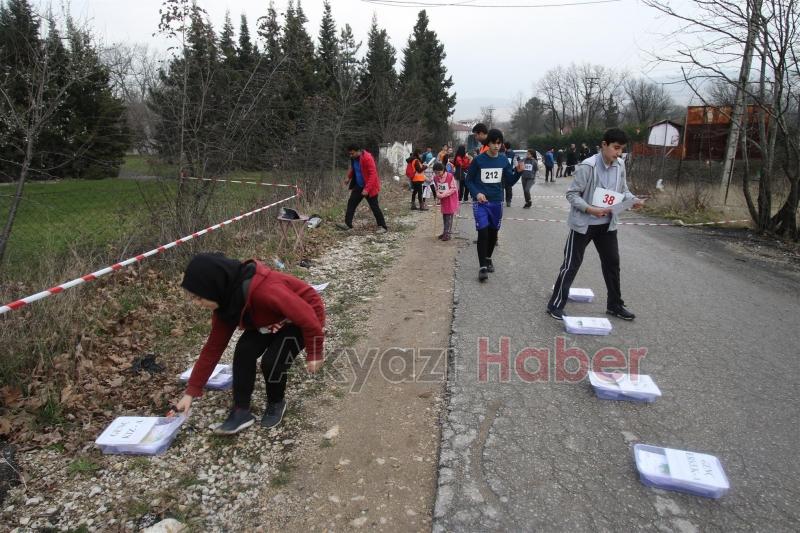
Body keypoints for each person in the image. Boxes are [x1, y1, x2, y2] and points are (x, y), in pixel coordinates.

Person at [173, 253, 326, 434]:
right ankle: (241, 411)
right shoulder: (226, 304)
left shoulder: (265, 290)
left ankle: (276, 402)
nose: (197, 303)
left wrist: (314, 352)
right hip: (268, 320)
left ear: (214, 288)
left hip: (300, 319)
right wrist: (191, 392)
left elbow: (307, 317)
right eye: (193, 299)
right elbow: (212, 349)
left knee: (272, 361)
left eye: (199, 298)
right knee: (243, 351)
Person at [546, 128, 645, 321]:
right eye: (616, 148)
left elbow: (624, 191)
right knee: (571, 264)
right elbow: (572, 194)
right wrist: (590, 209)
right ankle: (555, 305)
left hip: (607, 225)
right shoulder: (588, 166)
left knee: (612, 264)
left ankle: (615, 304)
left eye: (622, 150)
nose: (618, 153)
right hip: (584, 224)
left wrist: (634, 200)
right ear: (604, 145)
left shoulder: (620, 165)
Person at [465, 128, 524, 282]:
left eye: (499, 143)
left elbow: (509, 181)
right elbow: (469, 180)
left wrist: (518, 172)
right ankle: (482, 267)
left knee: (493, 234)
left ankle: (488, 257)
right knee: (483, 233)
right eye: (494, 143)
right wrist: (477, 193)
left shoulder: (504, 160)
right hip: (481, 202)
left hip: (497, 202)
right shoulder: (479, 160)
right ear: (488, 143)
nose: (497, 146)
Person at [337, 143, 388, 233]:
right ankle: (347, 224)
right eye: (350, 154)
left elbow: (373, 175)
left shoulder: (367, 158)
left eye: (352, 153)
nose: (351, 155)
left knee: (374, 207)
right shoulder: (354, 159)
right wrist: (348, 177)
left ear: (358, 151)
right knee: (351, 203)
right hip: (359, 186)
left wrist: (367, 189)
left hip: (370, 187)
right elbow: (354, 169)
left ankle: (382, 226)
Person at [433, 162, 459, 241]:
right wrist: (437, 193)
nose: (438, 174)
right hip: (443, 199)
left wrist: (443, 194)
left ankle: (448, 234)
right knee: (445, 215)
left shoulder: (450, 176)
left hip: (450, 198)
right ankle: (445, 232)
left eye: (439, 172)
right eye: (436, 172)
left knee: (449, 216)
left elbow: (454, 188)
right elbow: (437, 187)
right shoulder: (435, 178)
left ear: (443, 170)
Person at [503, 142, 515, 207]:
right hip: (507, 172)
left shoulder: (508, 153)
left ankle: (508, 201)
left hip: (507, 172)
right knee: (507, 187)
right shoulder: (512, 153)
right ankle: (508, 201)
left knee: (507, 187)